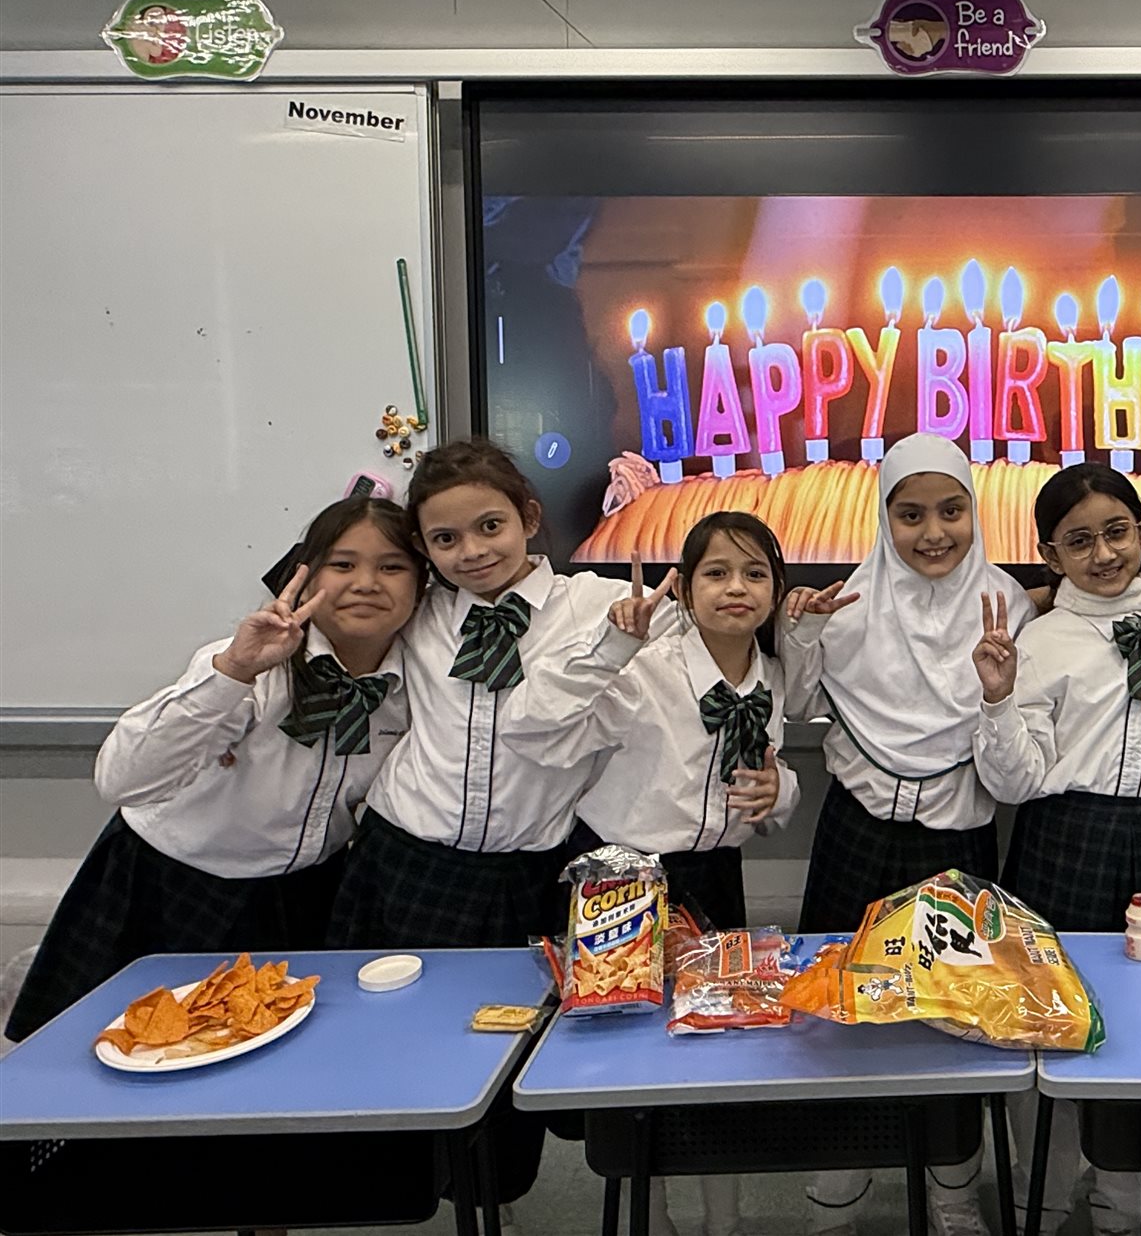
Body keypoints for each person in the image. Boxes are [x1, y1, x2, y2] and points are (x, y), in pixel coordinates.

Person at [324, 439, 669, 1211]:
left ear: (529, 518)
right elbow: (324, 589)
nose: (472, 552)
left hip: (523, 870)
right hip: (405, 861)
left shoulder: (598, 607)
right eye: (444, 539)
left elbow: (590, 719)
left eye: (490, 526)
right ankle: (417, 1192)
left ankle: (493, 1199)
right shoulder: (421, 610)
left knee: (504, 1052)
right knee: (398, 1045)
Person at [6, 496, 425, 1043]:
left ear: (423, 584)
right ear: (304, 576)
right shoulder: (251, 661)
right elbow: (120, 780)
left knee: (274, 1061)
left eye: (392, 566)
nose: (366, 583)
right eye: (342, 564)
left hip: (302, 897)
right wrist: (232, 674)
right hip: (168, 885)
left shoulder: (417, 685)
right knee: (124, 1057)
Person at [782, 432, 1031, 1236]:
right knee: (838, 1013)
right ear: (883, 519)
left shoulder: (1007, 607)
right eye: (911, 514)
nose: (933, 532)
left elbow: (1010, 764)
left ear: (975, 513)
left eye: (952, 511)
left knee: (953, 1021)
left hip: (953, 845)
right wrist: (803, 636)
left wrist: (994, 693)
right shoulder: (847, 604)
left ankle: (953, 1188)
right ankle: (838, 1186)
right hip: (856, 836)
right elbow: (797, 707)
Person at [555, 510, 799, 1236]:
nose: (737, 588)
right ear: (686, 590)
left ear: (776, 590)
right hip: (623, 885)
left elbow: (774, 785)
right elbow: (552, 733)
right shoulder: (644, 668)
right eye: (716, 573)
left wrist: (780, 790)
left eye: (755, 574)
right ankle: (649, 1215)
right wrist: (606, 650)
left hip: (717, 877)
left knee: (721, 1046)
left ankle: (724, 1218)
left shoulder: (773, 677)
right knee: (630, 1059)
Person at [971, 464, 1141, 1236]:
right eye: (1080, 541)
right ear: (1050, 554)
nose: (1104, 554)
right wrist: (998, 698)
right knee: (1046, 1021)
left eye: (1118, 532)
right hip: (1063, 839)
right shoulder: (1042, 639)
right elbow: (1014, 782)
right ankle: (1044, 1191)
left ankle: (1122, 1200)